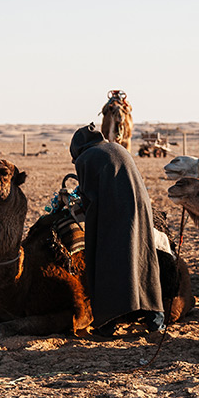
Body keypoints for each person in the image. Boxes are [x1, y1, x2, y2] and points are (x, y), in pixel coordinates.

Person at [69, 123, 165, 336]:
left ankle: (107, 324)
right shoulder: (118, 147)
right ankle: (155, 321)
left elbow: (89, 198)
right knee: (143, 261)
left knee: (107, 264)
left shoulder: (87, 158)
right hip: (140, 210)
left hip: (113, 215)